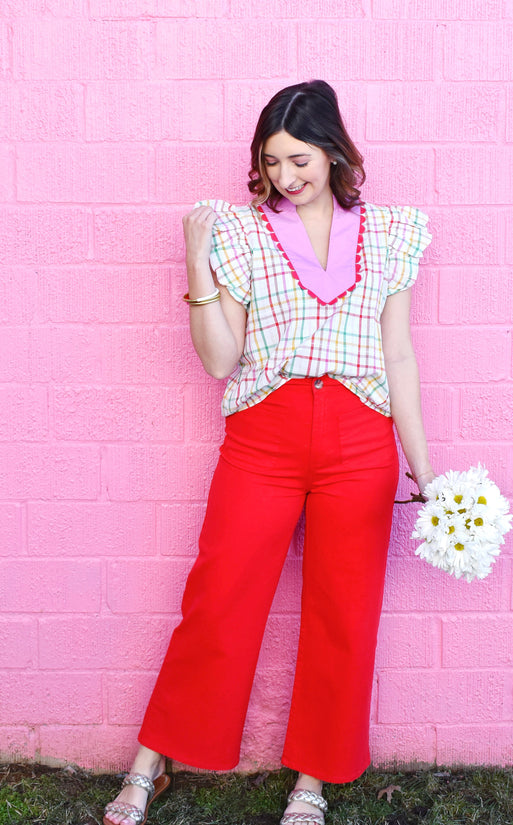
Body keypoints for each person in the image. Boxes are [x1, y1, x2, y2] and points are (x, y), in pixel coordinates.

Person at [103, 79, 435, 825]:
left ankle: (311, 783)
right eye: (272, 160)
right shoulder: (242, 233)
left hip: (359, 437)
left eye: (300, 158)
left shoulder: (390, 233)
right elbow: (221, 359)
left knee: (342, 614)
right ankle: (147, 766)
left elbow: (400, 357)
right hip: (266, 431)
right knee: (220, 599)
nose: (286, 176)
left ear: (333, 151)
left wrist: (424, 467)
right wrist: (195, 256)